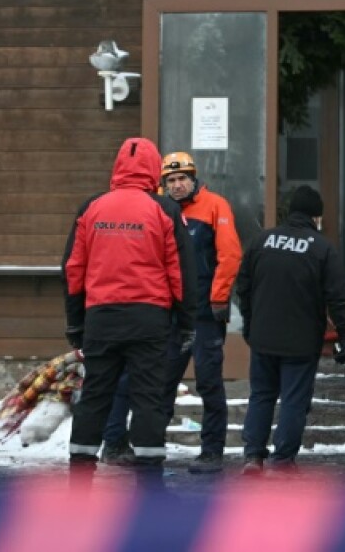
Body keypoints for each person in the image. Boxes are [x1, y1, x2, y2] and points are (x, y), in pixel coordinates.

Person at [62, 137, 197, 486]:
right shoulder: (165, 209)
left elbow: (73, 269)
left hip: (101, 318)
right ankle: (149, 485)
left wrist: (76, 324)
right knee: (148, 397)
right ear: (154, 170)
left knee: (95, 395)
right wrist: (186, 322)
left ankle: (79, 479)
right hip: (149, 318)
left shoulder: (91, 208)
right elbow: (181, 271)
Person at [100, 151, 242, 474]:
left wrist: (219, 299)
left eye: (183, 179)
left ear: (194, 179)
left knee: (209, 382)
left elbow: (230, 255)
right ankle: (150, 448)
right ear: (162, 184)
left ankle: (212, 451)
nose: (177, 185)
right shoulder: (157, 209)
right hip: (168, 315)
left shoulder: (215, 206)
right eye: (171, 180)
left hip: (205, 314)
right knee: (160, 383)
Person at [236, 185, 345, 474]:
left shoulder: (261, 241)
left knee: (261, 395)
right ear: (316, 217)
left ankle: (253, 456)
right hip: (301, 342)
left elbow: (243, 288)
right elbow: (338, 297)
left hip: (263, 338)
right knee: (293, 400)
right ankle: (283, 460)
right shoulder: (321, 248)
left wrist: (251, 326)